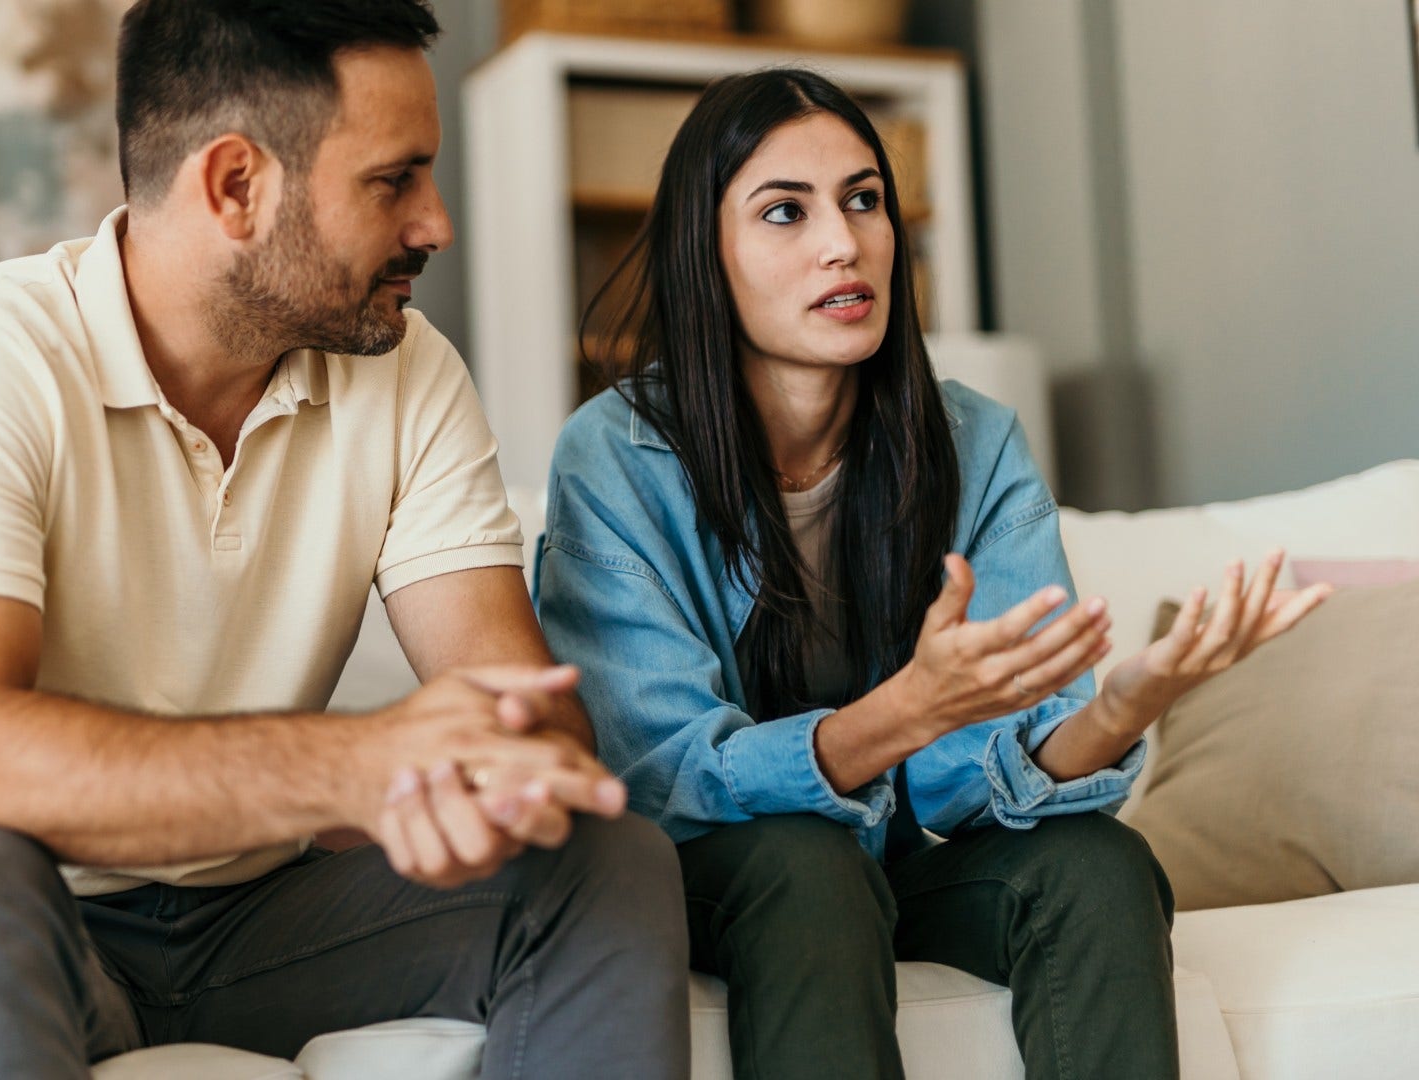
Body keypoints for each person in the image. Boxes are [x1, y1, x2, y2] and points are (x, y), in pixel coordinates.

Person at [0, 3, 690, 1078]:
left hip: (244, 929)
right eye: (394, 180)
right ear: (236, 185)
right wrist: (351, 767)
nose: (437, 223)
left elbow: (532, 739)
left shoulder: (408, 374)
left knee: (602, 854)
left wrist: (464, 787)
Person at [533, 67, 1330, 1080]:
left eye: (864, 199)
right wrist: (901, 714)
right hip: (713, 870)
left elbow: (987, 773)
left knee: (1096, 865)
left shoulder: (973, 440)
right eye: (786, 210)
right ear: (707, 253)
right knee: (805, 863)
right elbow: (658, 776)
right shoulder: (613, 456)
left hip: (898, 866)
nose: (845, 241)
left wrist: (1127, 706)